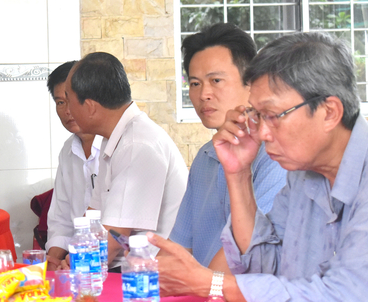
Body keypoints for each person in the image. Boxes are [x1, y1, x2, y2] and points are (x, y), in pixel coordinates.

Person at [149, 32, 368, 302]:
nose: (262, 132)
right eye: (257, 116)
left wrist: (209, 284)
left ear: (329, 112)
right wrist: (238, 173)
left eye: (273, 115)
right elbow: (263, 265)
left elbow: (344, 299)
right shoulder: (303, 173)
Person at [169, 23, 286, 270]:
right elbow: (177, 249)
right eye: (195, 83)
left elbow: (243, 254)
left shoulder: (278, 154)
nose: (204, 94)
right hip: (200, 296)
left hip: (241, 300)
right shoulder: (205, 157)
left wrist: (198, 288)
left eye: (216, 80)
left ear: (250, 83)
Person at [64, 52, 188, 269]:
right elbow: (93, 217)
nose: (67, 111)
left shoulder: (137, 144)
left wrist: (75, 267)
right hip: (126, 269)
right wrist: (72, 256)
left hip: (150, 278)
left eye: (68, 101)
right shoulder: (113, 137)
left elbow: (112, 241)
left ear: (91, 107)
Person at [44, 61, 102, 270]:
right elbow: (61, 220)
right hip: (79, 261)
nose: (68, 111)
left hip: (122, 262)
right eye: (60, 102)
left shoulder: (116, 146)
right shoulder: (67, 151)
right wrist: (51, 263)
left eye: (72, 101)